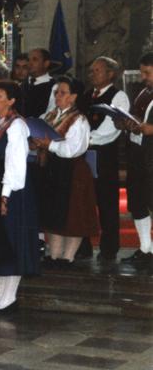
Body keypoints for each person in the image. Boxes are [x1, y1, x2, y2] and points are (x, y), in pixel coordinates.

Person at [0, 81, 39, 312]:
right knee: (0, 240)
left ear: (11, 100)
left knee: (11, 240)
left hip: (12, 188)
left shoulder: (17, 125)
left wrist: (5, 195)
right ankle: (1, 295)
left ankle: (10, 296)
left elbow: (16, 164)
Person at [31, 76, 99, 266]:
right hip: (51, 168)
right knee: (52, 212)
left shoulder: (79, 119)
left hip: (71, 169)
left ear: (73, 97)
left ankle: (67, 257)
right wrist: (35, 141)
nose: (58, 96)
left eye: (62, 92)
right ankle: (53, 255)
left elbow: (72, 149)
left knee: (72, 216)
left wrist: (49, 144)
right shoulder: (51, 115)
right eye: (56, 92)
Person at [79, 56, 130, 261]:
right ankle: (83, 245)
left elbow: (112, 129)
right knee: (83, 199)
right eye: (91, 70)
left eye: (97, 70)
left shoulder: (118, 96)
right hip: (84, 152)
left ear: (111, 74)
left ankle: (109, 247)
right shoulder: (86, 95)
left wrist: (87, 139)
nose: (92, 74)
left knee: (106, 200)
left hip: (104, 154)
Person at [117, 52, 153, 264]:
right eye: (142, 73)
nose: (143, 77)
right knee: (138, 203)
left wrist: (149, 128)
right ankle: (146, 249)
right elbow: (138, 120)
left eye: (147, 73)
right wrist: (128, 123)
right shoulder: (143, 93)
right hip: (139, 156)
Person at [17, 48, 56, 118]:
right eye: (28, 60)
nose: (30, 63)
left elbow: (51, 114)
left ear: (46, 63)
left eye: (35, 60)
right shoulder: (20, 85)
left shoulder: (54, 87)